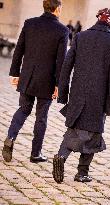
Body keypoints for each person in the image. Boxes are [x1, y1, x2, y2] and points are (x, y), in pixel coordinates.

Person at [52, 8, 110, 183]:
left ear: (98, 19)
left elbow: (66, 66)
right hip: (98, 97)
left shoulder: (80, 36)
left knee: (73, 128)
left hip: (77, 92)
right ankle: (82, 173)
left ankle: (61, 155)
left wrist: (63, 94)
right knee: (94, 133)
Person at [2, 0, 69, 163]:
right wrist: (59, 85)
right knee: (41, 117)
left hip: (27, 76)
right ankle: (35, 153)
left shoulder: (29, 23)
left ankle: (11, 137)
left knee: (24, 109)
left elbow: (19, 49)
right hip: (47, 81)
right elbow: (61, 61)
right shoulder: (62, 30)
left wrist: (14, 73)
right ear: (57, 9)